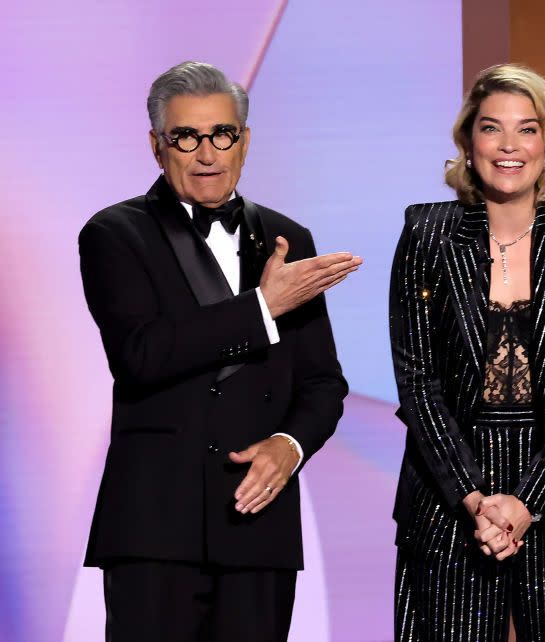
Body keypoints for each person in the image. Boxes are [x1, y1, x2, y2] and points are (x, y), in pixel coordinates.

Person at [79, 61, 359, 641]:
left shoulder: (288, 238)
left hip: (258, 523)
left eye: (222, 134)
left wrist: (291, 445)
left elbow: (323, 383)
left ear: (245, 141)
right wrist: (263, 307)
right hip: (154, 527)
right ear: (158, 147)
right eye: (186, 137)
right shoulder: (113, 234)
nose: (207, 153)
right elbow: (141, 354)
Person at [389, 64, 545, 641]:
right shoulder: (425, 234)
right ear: (467, 140)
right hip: (448, 497)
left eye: (527, 130)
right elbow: (418, 383)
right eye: (491, 128)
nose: (509, 147)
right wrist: (474, 499)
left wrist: (526, 502)